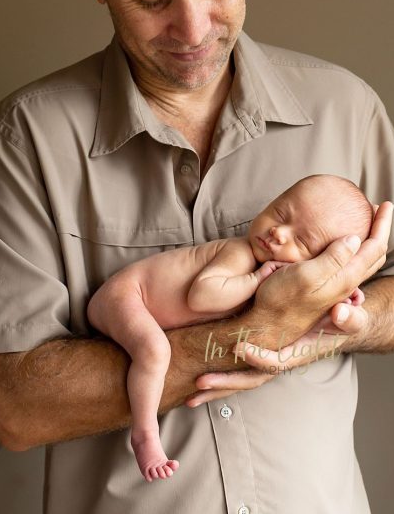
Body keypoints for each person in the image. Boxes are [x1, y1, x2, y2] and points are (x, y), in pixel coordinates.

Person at [0, 0, 394, 514]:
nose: (192, 27)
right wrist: (255, 334)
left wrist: (325, 326)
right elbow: (14, 401)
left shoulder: (345, 106)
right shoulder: (28, 139)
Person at [88, 174, 371, 482]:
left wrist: (340, 293)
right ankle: (144, 434)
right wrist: (257, 278)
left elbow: (305, 297)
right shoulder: (242, 254)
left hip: (136, 302)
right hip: (126, 296)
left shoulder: (275, 273)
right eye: (279, 213)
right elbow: (202, 296)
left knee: (157, 350)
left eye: (302, 241)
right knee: (155, 352)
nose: (278, 232)